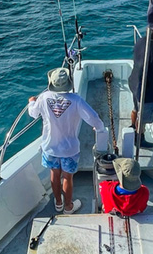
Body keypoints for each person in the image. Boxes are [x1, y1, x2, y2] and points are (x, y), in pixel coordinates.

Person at [29, 67, 108, 214]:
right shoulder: (76, 100)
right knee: (67, 177)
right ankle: (68, 207)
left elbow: (33, 113)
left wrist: (32, 102)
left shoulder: (44, 97)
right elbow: (93, 117)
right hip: (69, 149)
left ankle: (58, 204)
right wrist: (100, 128)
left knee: (54, 174)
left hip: (50, 147)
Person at [128, 29, 153, 149]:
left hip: (135, 83)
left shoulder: (140, 42)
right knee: (143, 119)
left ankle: (133, 126)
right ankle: (139, 139)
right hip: (147, 91)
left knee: (136, 108)